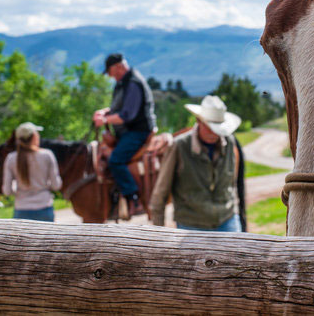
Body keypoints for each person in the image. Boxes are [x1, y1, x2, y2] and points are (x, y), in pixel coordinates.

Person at [149, 95, 244, 232]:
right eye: (210, 127)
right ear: (198, 121)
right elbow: (160, 192)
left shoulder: (229, 143)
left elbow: (232, 182)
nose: (214, 133)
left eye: (217, 128)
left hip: (227, 219)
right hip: (191, 224)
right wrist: (158, 233)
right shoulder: (179, 146)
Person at [93, 53, 157, 216]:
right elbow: (118, 109)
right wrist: (104, 112)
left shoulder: (133, 83)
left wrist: (104, 120)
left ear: (118, 67)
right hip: (128, 131)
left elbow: (127, 115)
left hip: (138, 131)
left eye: (110, 72)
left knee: (116, 160)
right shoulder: (123, 83)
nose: (110, 76)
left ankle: (133, 197)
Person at [2, 122, 62, 222]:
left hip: (21, 210)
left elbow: (7, 191)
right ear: (34, 136)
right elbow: (56, 185)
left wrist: (16, 190)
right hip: (44, 208)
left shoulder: (11, 158)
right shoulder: (47, 155)